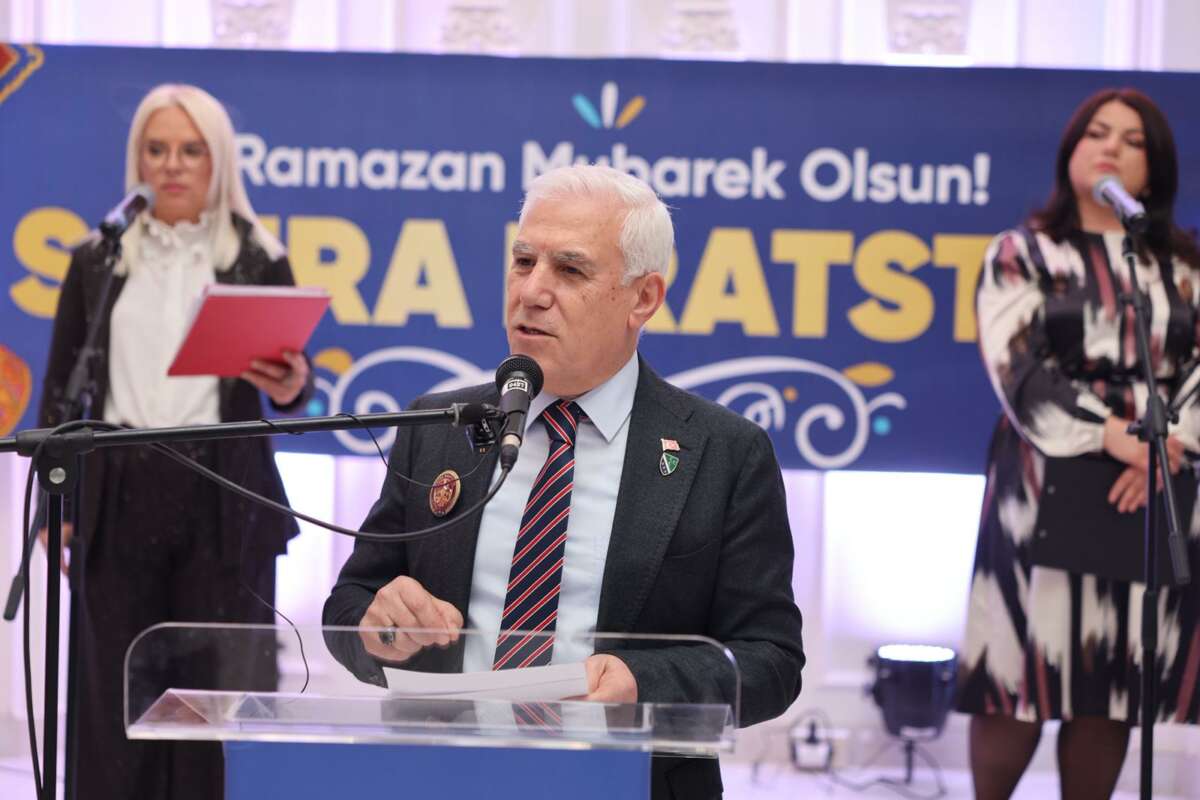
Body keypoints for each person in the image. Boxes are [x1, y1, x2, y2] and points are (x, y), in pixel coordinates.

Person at [323, 164, 805, 799]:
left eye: (570, 270)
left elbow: (771, 660)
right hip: (445, 779)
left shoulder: (723, 452)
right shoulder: (437, 426)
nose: (532, 291)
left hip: (626, 782)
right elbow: (351, 605)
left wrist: (643, 682)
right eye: (523, 262)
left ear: (643, 298)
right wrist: (379, 629)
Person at [37, 83, 313, 800]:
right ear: (137, 159)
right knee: (112, 697)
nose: (172, 165)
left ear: (219, 161)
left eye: (191, 151)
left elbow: (291, 387)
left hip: (222, 495)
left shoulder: (257, 257)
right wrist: (54, 510)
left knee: (208, 701)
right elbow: (62, 387)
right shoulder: (98, 258)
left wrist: (291, 381)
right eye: (156, 149)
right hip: (116, 491)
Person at [958, 87, 1200, 800]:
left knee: (1111, 675)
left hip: (1154, 479)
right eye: (1097, 133)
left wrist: (1168, 448)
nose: (1111, 148)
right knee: (1020, 671)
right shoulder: (1022, 252)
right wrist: (1114, 436)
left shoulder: (1183, 265)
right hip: (1044, 479)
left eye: (1132, 140)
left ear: (1153, 171)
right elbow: (1016, 365)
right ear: (1071, 152)